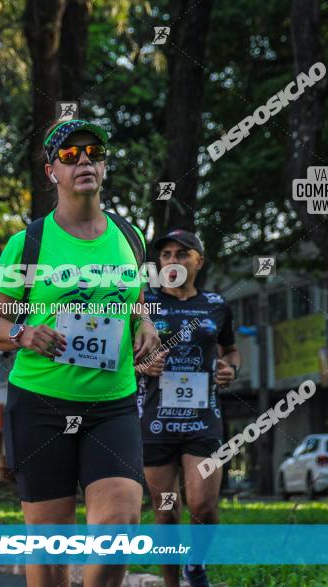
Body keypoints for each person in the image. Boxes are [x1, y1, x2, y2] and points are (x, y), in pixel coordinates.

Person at [0, 119, 160, 587]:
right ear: (50, 171)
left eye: (93, 152)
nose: (83, 161)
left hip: (112, 404)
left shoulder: (130, 236)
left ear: (104, 164)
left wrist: (145, 324)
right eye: (69, 155)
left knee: (120, 527)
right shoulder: (29, 244)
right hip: (40, 403)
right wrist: (24, 333)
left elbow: (134, 298)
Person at [136, 230, 241, 587]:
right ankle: (170, 583)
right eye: (165, 255)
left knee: (203, 507)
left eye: (182, 254)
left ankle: (194, 565)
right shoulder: (144, 303)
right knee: (166, 513)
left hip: (203, 419)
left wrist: (231, 368)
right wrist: (141, 367)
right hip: (154, 420)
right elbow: (119, 359)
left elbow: (230, 350)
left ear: (199, 260)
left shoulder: (216, 304)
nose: (172, 261)